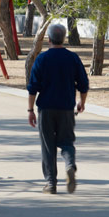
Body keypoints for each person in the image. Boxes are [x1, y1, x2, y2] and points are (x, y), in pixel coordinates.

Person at [27, 22, 88, 194]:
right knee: (67, 142)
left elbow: (33, 87)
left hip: (46, 109)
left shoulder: (41, 59)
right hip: (67, 108)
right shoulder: (73, 58)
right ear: (64, 39)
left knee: (48, 146)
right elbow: (83, 84)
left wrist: (30, 110)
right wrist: (81, 102)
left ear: (48, 39)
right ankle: (69, 165)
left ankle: (51, 183)